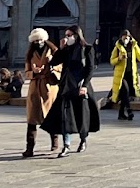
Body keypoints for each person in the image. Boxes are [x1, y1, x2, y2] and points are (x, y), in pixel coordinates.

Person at [41, 25, 100, 156]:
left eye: (69, 35)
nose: (67, 38)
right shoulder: (66, 50)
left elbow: (90, 69)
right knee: (65, 116)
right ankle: (66, 145)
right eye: (66, 35)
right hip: (66, 87)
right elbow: (54, 62)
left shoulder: (87, 49)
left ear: (76, 35)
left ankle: (83, 140)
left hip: (80, 87)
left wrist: (85, 86)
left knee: (81, 115)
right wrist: (61, 49)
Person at [22, 28, 58, 158]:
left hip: (48, 87)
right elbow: (26, 72)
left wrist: (51, 69)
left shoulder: (53, 51)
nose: (39, 42)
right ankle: (29, 148)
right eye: (36, 40)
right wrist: (33, 72)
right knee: (31, 119)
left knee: (50, 116)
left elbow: (61, 67)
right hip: (34, 88)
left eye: (41, 40)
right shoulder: (30, 54)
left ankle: (55, 142)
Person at [109, 30, 140, 122]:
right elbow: (112, 61)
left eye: (127, 37)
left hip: (131, 74)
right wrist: (119, 58)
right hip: (121, 75)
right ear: (121, 37)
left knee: (126, 94)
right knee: (125, 90)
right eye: (124, 37)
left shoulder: (134, 47)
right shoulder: (117, 47)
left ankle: (121, 114)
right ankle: (129, 110)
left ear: (130, 38)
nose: (126, 39)